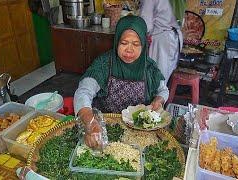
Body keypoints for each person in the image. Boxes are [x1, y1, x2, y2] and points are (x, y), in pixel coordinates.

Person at [74, 15, 169, 149]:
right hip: (104, 129)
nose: (129, 50)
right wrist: (91, 122)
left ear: (143, 44)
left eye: (136, 44)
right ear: (116, 42)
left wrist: (159, 100)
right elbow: (83, 92)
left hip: (138, 133)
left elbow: (163, 90)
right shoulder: (104, 64)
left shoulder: (150, 68)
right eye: (124, 43)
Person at [139, 0, 183, 85]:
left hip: (161, 40)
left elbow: (145, 24)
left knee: (156, 80)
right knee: (163, 78)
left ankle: (157, 97)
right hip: (174, 37)